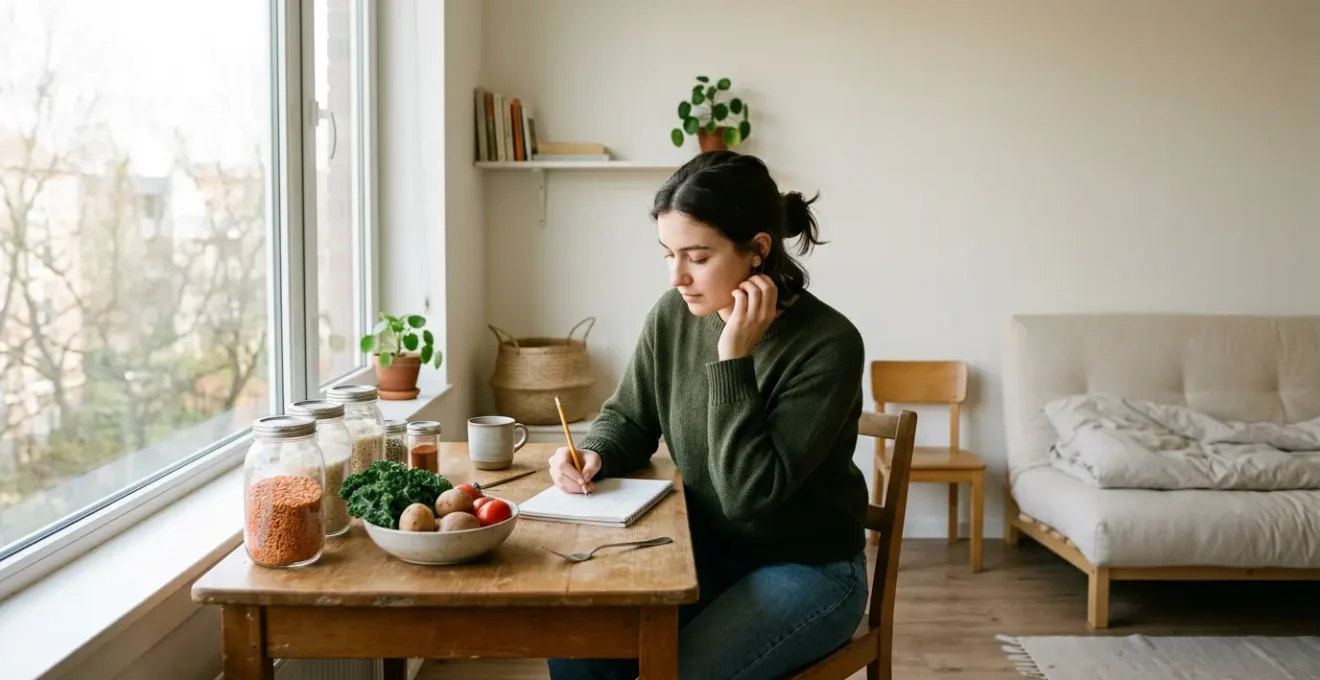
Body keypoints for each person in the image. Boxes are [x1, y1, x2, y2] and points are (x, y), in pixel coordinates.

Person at [546, 150, 870, 680]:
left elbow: (748, 495)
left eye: (696, 257)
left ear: (758, 250)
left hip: (808, 569)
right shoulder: (673, 314)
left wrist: (733, 357)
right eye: (667, 253)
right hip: (700, 554)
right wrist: (594, 452)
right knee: (578, 648)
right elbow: (629, 416)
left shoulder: (828, 345)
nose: (677, 276)